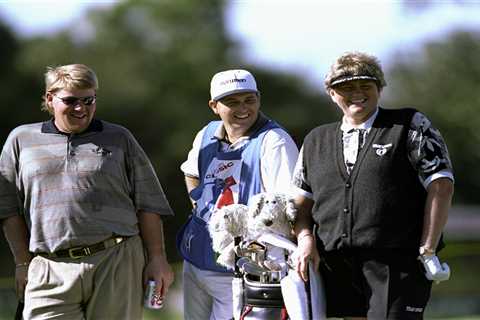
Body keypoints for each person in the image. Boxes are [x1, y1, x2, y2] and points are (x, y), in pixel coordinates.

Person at [0, 64, 174, 319]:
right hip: (49, 266)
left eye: (88, 100)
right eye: (70, 100)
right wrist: (22, 262)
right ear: (50, 98)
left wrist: (157, 258)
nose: (81, 108)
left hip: (116, 258)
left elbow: (148, 202)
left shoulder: (119, 137)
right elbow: (7, 208)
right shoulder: (20, 139)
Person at [292, 52, 454, 320]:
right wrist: (305, 238)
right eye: (346, 87)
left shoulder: (410, 124)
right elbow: (301, 205)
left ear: (379, 88)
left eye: (365, 85)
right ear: (332, 93)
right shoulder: (315, 140)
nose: (357, 93)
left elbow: (441, 185)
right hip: (336, 263)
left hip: (396, 260)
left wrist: (428, 248)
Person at [177, 69, 299, 319]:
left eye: (249, 100)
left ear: (259, 99)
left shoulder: (275, 141)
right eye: (232, 102)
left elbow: (289, 207)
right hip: (196, 260)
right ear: (214, 106)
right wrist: (199, 207)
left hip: (243, 270)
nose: (243, 108)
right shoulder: (207, 134)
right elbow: (191, 172)